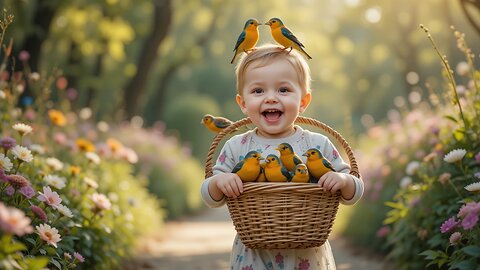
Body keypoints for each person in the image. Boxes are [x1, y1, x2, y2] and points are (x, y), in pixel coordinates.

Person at [201, 43, 364, 270]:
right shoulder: (237, 146)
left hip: (307, 257)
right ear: (243, 103)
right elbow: (210, 196)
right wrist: (219, 181)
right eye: (258, 91)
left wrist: (344, 181)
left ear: (304, 102)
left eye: (283, 90)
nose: (271, 98)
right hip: (253, 256)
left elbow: (354, 191)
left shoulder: (317, 144)